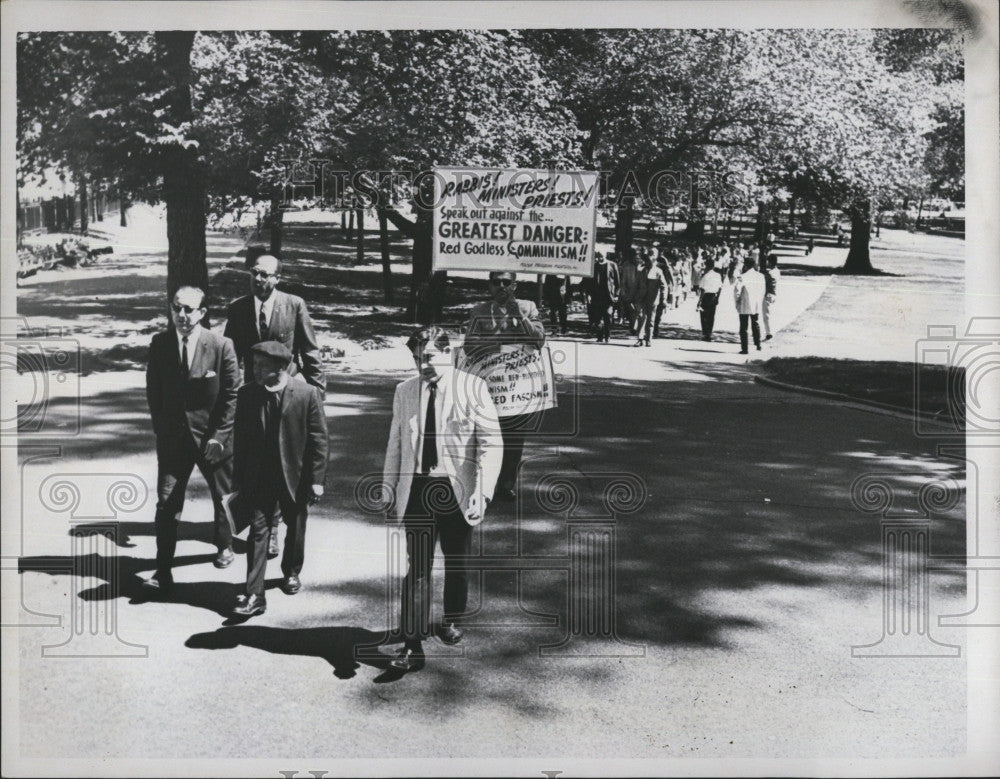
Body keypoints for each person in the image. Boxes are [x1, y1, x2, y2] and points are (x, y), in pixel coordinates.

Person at [381, 326, 502, 672]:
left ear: (449, 354)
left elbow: (491, 446)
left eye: (430, 357)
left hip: (457, 491)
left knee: (456, 561)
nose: (424, 365)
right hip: (418, 490)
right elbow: (396, 444)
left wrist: (483, 492)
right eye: (418, 358)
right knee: (416, 568)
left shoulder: (473, 388)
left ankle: (451, 618)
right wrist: (390, 489)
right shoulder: (404, 391)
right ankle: (411, 644)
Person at [224, 253, 325, 560]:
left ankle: (275, 530)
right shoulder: (239, 309)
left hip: (288, 398)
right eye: (255, 273)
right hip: (254, 399)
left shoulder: (294, 305)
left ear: (278, 278)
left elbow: (310, 353)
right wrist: (232, 400)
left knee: (285, 464)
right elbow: (230, 357)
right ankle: (245, 530)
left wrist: (316, 398)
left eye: (266, 275)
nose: (259, 279)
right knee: (259, 462)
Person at [143, 286, 240, 592]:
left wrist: (220, 436)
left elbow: (231, 396)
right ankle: (162, 570)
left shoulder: (222, 345)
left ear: (202, 313)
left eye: (189, 310)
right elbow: (153, 391)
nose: (182, 316)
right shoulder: (159, 344)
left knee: (222, 498)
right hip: (174, 441)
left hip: (213, 439)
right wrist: (162, 428)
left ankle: (225, 544)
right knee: (166, 503)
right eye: (177, 308)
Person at [231, 341, 328, 617]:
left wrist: (317, 478)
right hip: (260, 477)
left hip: (295, 477)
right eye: (253, 364)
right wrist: (238, 480)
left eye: (261, 365)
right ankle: (254, 594)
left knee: (296, 528)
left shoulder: (306, 394)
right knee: (257, 531)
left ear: (280, 368)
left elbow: (319, 439)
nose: (254, 369)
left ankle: (291, 572)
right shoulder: (248, 394)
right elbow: (241, 441)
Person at [463, 271, 545, 500]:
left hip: (516, 386)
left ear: (514, 285)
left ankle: (506, 484)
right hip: (488, 384)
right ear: (489, 286)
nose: (501, 286)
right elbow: (469, 345)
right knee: (485, 434)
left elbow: (538, 340)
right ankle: (483, 484)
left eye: (506, 282)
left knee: (513, 437)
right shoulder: (479, 311)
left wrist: (520, 316)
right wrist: (500, 343)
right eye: (496, 282)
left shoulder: (528, 307)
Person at [633, 251, 668, 347]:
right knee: (641, 317)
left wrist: (664, 299)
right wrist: (634, 298)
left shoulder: (658, 272)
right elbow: (636, 285)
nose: (648, 263)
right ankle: (640, 339)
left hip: (652, 299)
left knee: (650, 320)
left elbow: (664, 286)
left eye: (650, 261)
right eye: (647, 261)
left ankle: (648, 339)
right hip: (641, 298)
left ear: (654, 262)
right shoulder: (641, 271)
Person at [583, 251, 620, 343]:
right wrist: (588, 295)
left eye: (602, 256)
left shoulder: (612, 265)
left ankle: (607, 336)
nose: (600, 258)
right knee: (597, 317)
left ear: (605, 255)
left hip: (608, 296)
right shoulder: (594, 266)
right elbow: (589, 283)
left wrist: (616, 295)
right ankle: (599, 337)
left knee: (608, 317)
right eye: (598, 257)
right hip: (596, 296)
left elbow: (617, 282)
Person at [733, 257, 767, 354]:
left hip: (745, 303)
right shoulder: (760, 276)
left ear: (746, 265)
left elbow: (736, 290)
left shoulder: (742, 276)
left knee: (743, 326)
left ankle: (745, 348)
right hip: (756, 302)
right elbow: (763, 290)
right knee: (755, 323)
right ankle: (758, 344)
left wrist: (737, 302)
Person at [696, 259, 723, 341]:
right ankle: (709, 333)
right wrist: (717, 298)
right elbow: (720, 288)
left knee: (704, 315)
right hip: (714, 296)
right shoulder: (718, 275)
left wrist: (699, 301)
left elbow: (702, 289)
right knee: (711, 316)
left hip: (706, 296)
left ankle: (705, 333)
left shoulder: (706, 276)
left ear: (707, 266)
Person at [617, 249, 640, 334]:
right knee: (631, 310)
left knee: (637, 310)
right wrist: (623, 291)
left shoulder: (641, 265)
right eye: (634, 257)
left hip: (640, 291)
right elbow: (623, 280)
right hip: (629, 291)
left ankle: (635, 327)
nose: (635, 259)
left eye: (636, 257)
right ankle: (633, 326)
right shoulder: (626, 265)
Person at [762, 254, 780, 341]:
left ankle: (769, 333)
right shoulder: (777, 271)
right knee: (769, 313)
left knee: (766, 315)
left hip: (768, 294)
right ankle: (769, 331)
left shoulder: (769, 273)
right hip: (774, 293)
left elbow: (764, 283)